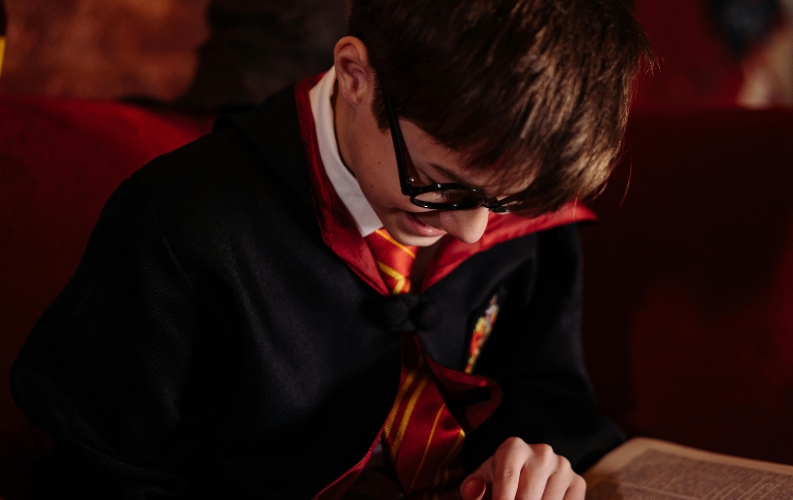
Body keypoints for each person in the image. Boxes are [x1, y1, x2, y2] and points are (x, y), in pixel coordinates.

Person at [10, 0, 651, 498]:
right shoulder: (181, 227)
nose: (474, 231)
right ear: (355, 75)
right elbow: (98, 472)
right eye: (437, 184)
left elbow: (548, 400)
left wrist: (536, 464)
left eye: (508, 200)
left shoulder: (521, 215)